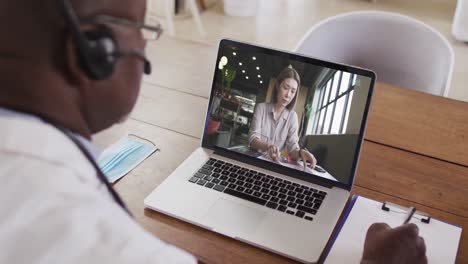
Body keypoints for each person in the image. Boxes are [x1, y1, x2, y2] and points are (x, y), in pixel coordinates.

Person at [0, 0, 427, 263]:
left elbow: (293, 146)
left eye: (295, 90)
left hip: (284, 178)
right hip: (248, 167)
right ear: (95, 53)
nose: (146, 47)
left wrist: (301, 156)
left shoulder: (294, 118)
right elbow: (255, 140)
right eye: (142, 29)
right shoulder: (104, 246)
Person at [249, 66, 317, 170]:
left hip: (273, 167)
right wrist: (268, 146)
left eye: (293, 91)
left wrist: (301, 153)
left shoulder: (292, 117)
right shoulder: (261, 108)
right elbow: (253, 140)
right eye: (285, 88)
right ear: (277, 86)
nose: (288, 95)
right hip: (253, 162)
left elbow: (292, 148)